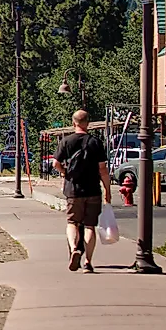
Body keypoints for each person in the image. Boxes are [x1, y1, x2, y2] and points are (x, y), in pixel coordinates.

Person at [53, 110, 111, 272]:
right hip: (92, 190)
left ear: (74, 123)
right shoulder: (95, 142)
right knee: (90, 226)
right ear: (88, 123)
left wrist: (65, 172)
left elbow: (55, 163)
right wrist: (107, 190)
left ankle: (74, 249)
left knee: (72, 223)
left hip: (73, 190)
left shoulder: (66, 141)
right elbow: (103, 169)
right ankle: (88, 262)